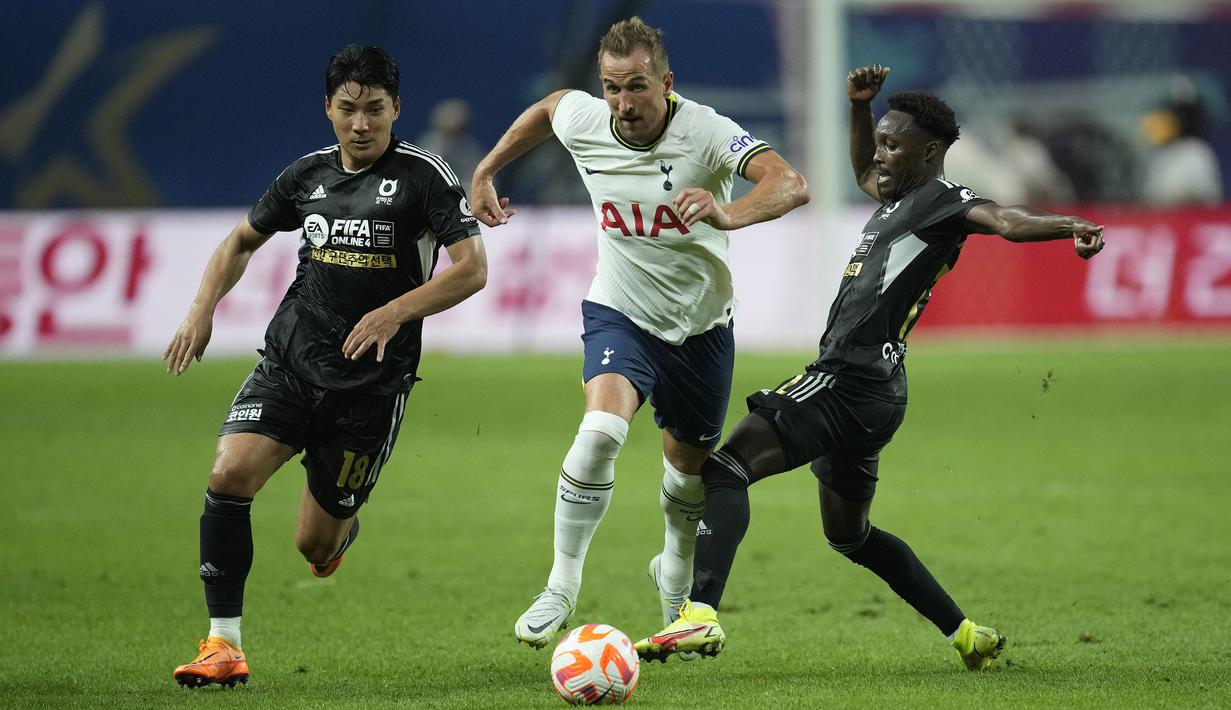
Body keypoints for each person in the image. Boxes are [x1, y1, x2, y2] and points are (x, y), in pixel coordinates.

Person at [635, 65, 1105, 670]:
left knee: (724, 470)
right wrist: (859, 108)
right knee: (850, 535)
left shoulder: (944, 201)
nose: (879, 154)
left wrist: (1071, 224)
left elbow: (1007, 222)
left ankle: (699, 614)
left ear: (930, 151)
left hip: (846, 378)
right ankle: (965, 633)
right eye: (879, 139)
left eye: (893, 143)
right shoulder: (898, 197)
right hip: (880, 393)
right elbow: (862, 171)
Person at [469, 17, 809, 653]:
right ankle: (561, 587)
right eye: (611, 88)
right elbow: (549, 109)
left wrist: (726, 210)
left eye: (636, 87)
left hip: (702, 327)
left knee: (686, 479)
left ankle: (674, 582)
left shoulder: (706, 131)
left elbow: (791, 183)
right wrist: (487, 169)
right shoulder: (588, 119)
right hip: (621, 311)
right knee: (600, 432)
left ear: (666, 83)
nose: (623, 104)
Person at [163, 44, 487, 688]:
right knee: (228, 475)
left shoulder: (426, 177)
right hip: (290, 362)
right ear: (329, 110)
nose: (361, 123)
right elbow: (240, 241)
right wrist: (201, 308)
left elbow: (472, 270)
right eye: (348, 109)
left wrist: (395, 311)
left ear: (396, 108)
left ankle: (338, 534)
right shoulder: (306, 177)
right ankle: (222, 644)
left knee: (313, 544)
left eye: (374, 110)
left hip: (370, 385)